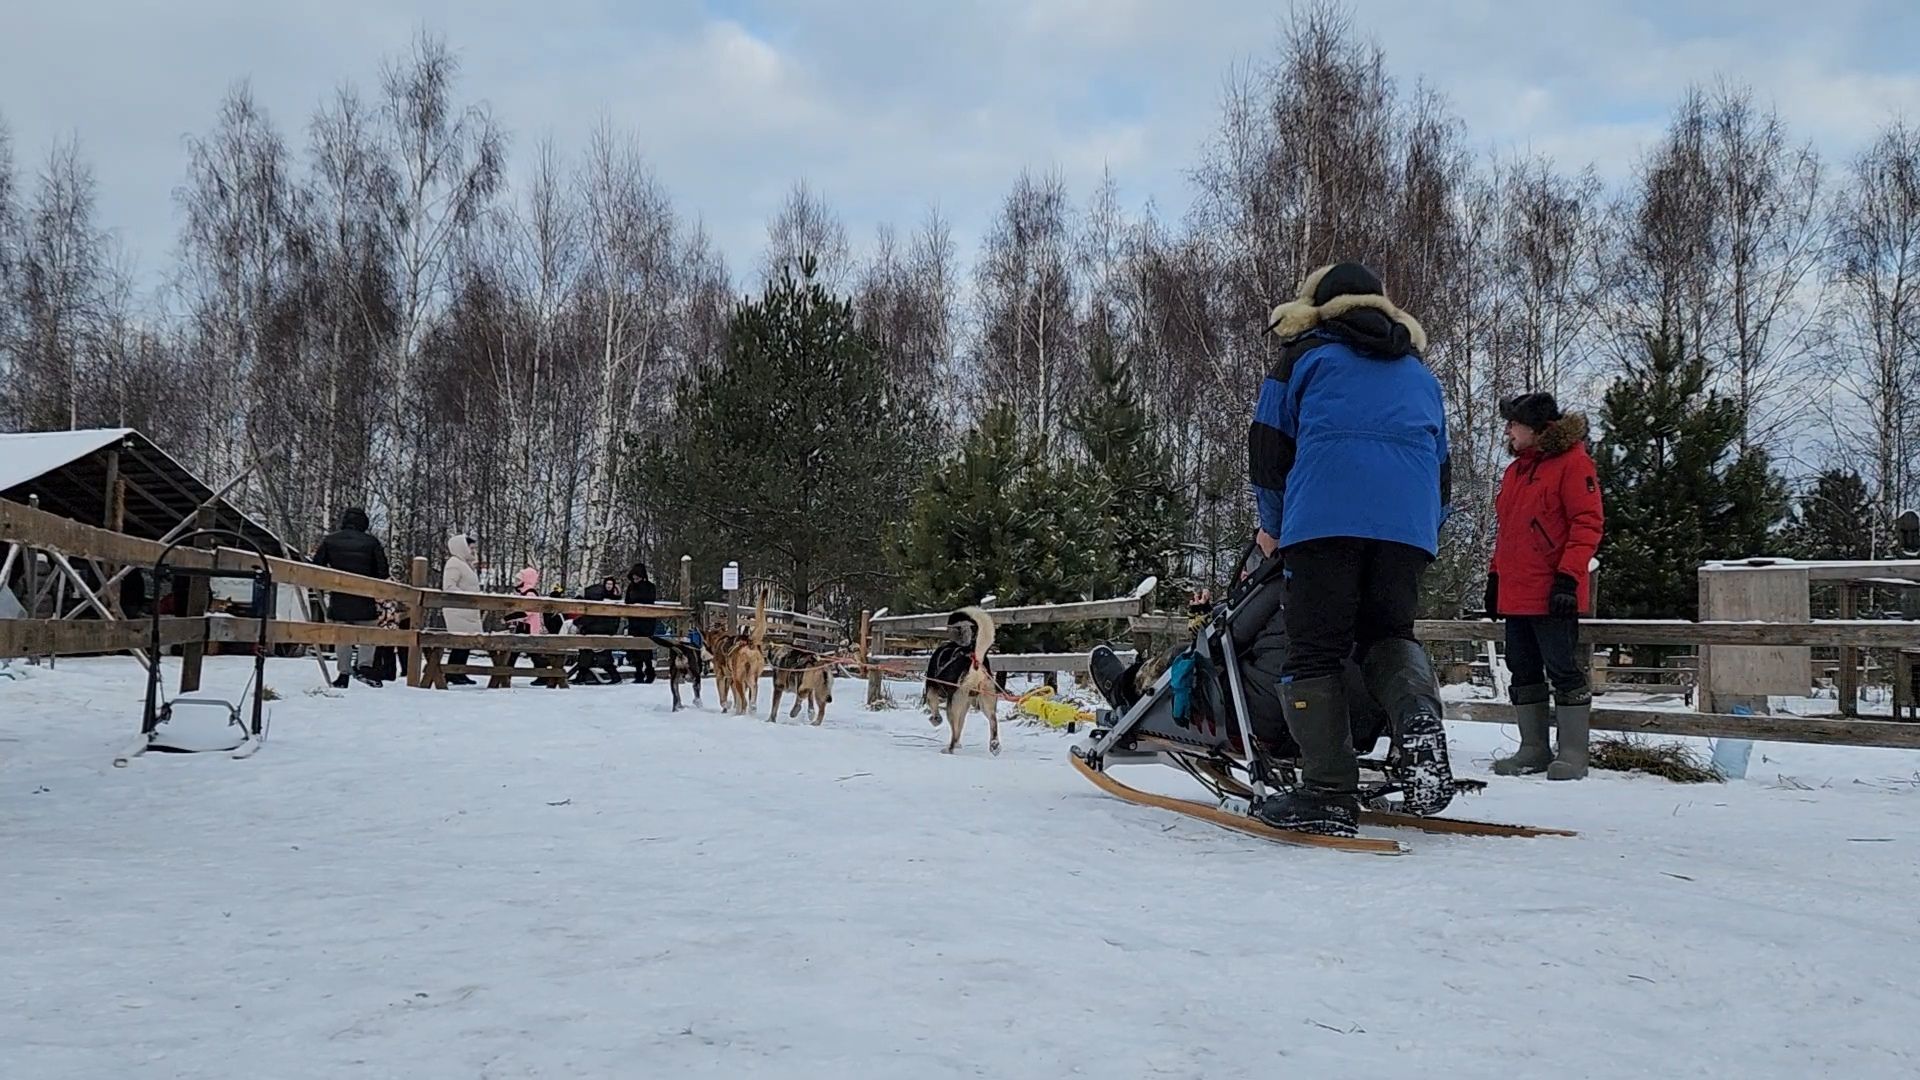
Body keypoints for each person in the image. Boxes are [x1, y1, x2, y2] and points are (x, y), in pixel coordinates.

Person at [1246, 261, 1454, 836]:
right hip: (1407, 529)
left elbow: (1268, 450)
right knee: (1389, 636)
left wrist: (1276, 526)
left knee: (1314, 652)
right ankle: (1418, 722)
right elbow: (1442, 470)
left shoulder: (1304, 357)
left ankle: (1327, 792)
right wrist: (1422, 532)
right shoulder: (1420, 374)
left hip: (1324, 522)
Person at [1486, 392, 1604, 780]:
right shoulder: (1516, 471)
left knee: (1563, 668)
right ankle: (1533, 747)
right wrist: (1494, 576)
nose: (1509, 431)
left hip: (1554, 591)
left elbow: (1587, 524)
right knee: (1521, 669)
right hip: (1517, 591)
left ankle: (1573, 752)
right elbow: (1509, 533)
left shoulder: (1573, 463)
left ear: (1536, 429)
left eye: (1514, 424)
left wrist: (1569, 577)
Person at [311, 507, 390, 689]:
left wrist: (330, 582)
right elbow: (382, 572)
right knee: (368, 633)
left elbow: (317, 567)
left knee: (342, 636)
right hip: (364, 596)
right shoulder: (371, 543)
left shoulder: (330, 540)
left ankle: (343, 673)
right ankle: (364, 666)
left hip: (340, 597)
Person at [441, 533, 484, 686]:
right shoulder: (454, 563)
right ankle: (453, 672)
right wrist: (468, 597)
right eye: (470, 548)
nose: (473, 551)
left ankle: (459, 671)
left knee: (465, 644)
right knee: (460, 642)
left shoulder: (465, 565)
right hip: (458, 610)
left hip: (468, 610)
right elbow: (449, 587)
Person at [572, 575, 625, 684]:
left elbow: (594, 615)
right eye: (607, 584)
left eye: (611, 584)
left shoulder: (602, 598)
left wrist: (579, 623)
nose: (609, 586)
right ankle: (582, 676)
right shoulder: (598, 596)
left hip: (601, 630)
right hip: (596, 629)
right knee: (586, 654)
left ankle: (615, 676)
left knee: (602, 656)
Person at [623, 562, 658, 684]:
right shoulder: (631, 587)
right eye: (633, 576)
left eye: (637, 576)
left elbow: (650, 601)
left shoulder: (650, 587)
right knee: (635, 647)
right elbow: (627, 601)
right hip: (634, 621)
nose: (635, 578)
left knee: (645, 647)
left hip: (646, 622)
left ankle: (649, 671)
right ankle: (638, 673)